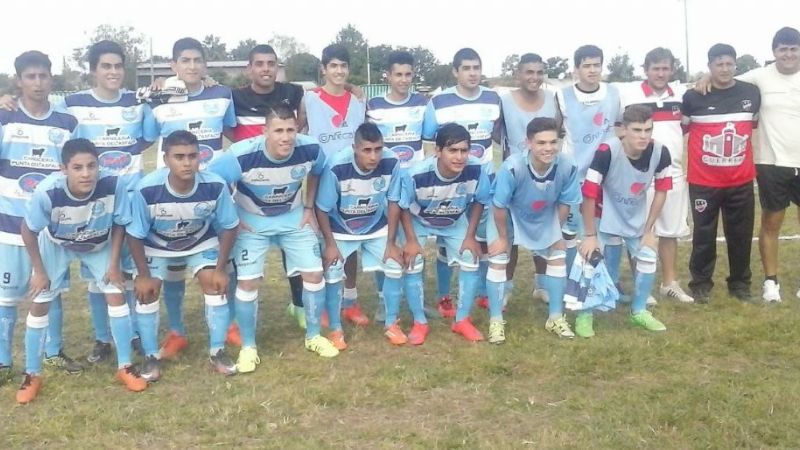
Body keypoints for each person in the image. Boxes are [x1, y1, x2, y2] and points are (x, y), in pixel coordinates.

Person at [209, 104, 338, 371]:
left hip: (293, 218)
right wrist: (233, 216)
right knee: (247, 282)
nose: (286, 137)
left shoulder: (310, 149)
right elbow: (212, 180)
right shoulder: (240, 155)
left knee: (314, 275)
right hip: (252, 223)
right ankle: (248, 347)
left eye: (290, 130)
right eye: (278, 130)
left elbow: (318, 171)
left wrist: (309, 206)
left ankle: (313, 336)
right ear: (264, 131)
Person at [19, 138, 146, 403]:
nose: (86, 173)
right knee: (41, 301)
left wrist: (113, 265)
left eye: (92, 166)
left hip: (99, 243)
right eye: (77, 167)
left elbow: (120, 223)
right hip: (57, 244)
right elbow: (28, 231)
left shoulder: (114, 184)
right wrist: (39, 271)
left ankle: (125, 366)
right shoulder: (47, 192)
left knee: (116, 294)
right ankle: (32, 374)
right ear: (63, 169)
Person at [127, 130, 240, 381]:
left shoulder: (214, 185)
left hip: (199, 240)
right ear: (165, 159)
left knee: (215, 284)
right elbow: (134, 234)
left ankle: (217, 351)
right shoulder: (147, 189)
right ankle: (150, 356)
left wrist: (221, 268)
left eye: (192, 156)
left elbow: (230, 226)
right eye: (179, 157)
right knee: (147, 291)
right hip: (157, 244)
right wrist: (143, 275)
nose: (187, 162)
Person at [149, 37, 237, 359]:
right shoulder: (158, 99)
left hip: (211, 194)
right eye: (184, 61)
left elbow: (234, 132)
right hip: (172, 195)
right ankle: (177, 331)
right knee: (173, 266)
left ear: (205, 64)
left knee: (221, 262)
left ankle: (227, 326)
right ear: (173, 65)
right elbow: (145, 135)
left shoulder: (221, 94)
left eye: (197, 60)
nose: (191, 66)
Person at [0, 51, 79, 385]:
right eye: (30, 77)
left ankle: (53, 352)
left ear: (51, 79)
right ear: (18, 80)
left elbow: (73, 171)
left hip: (49, 229)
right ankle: (3, 361)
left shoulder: (66, 124)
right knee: (6, 296)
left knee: (51, 289)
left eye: (42, 76)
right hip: (8, 225)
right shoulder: (5, 119)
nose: (37, 82)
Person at [230, 44, 307, 334]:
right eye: (259, 63)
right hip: (249, 193)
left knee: (295, 250)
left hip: (286, 187)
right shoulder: (234, 97)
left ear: (277, 66)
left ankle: (298, 306)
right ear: (249, 68)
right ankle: (241, 318)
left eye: (271, 63)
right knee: (245, 255)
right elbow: (229, 130)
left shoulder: (294, 92)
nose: (265, 68)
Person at [421, 48, 501, 318]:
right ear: (455, 71)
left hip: (483, 183)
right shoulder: (439, 102)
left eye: (476, 67)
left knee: (483, 239)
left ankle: (480, 292)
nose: (472, 73)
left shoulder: (493, 99)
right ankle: (444, 295)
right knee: (446, 240)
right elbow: (430, 143)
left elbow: (499, 135)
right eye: (466, 68)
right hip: (452, 186)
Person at [578, 105, 672, 337]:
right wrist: (590, 236)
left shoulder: (661, 152)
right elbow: (589, 193)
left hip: (634, 215)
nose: (643, 136)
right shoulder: (606, 151)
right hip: (601, 211)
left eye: (648, 130)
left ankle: (638, 310)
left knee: (649, 255)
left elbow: (661, 191)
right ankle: (585, 314)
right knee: (591, 260)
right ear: (624, 130)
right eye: (637, 130)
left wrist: (649, 230)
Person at [682, 44, 760, 303]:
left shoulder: (751, 92)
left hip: (740, 180)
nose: (724, 69)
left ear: (735, 65)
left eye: (729, 64)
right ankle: (701, 283)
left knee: (740, 235)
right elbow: (681, 130)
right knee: (703, 236)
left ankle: (740, 283)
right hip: (704, 182)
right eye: (718, 64)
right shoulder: (693, 97)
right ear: (710, 67)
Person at [490, 117, 579, 339]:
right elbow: (499, 206)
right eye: (541, 143)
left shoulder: (568, 166)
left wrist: (555, 232)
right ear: (528, 143)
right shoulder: (512, 167)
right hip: (509, 215)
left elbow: (565, 202)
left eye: (553, 142)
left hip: (545, 214)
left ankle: (556, 318)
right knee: (499, 258)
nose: (548, 148)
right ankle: (495, 321)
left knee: (558, 254)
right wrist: (502, 238)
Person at [399, 123, 490, 342]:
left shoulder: (478, 169)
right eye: (452, 150)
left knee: (470, 257)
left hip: (454, 220)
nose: (459, 157)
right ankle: (419, 322)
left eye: (464, 150)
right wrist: (411, 240)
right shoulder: (416, 174)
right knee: (414, 261)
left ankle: (462, 320)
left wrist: (470, 236)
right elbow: (402, 206)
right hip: (419, 220)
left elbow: (479, 201)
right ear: (438, 151)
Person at [616, 47, 693, 303]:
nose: (661, 73)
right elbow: (619, 128)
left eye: (665, 68)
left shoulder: (682, 94)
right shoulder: (628, 94)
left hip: (673, 171)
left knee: (670, 231)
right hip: (638, 172)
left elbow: (683, 128)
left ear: (672, 70)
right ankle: (642, 286)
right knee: (639, 230)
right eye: (656, 68)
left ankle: (669, 282)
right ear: (646, 69)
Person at [315, 123, 402, 347]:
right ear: (354, 147)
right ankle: (335, 328)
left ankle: (392, 323)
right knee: (333, 273)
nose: (374, 156)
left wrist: (391, 242)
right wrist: (330, 244)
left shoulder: (392, 162)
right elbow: (322, 208)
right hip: (340, 228)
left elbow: (393, 202)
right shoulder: (336, 165)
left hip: (376, 225)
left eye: (378, 149)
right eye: (367, 150)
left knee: (394, 265)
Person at [301, 44, 369, 326]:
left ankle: (350, 300)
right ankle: (329, 303)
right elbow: (301, 133)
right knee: (323, 244)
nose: (339, 71)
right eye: (334, 66)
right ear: (324, 68)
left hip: (353, 183)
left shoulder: (359, 100)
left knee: (350, 243)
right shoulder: (309, 99)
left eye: (343, 66)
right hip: (321, 181)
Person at [735, 27, 800, 302]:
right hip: (772, 162)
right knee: (771, 223)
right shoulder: (759, 76)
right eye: (783, 49)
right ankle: (770, 282)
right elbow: (726, 79)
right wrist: (703, 78)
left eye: (793, 48)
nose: (788, 54)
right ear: (774, 52)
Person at [497, 52, 561, 308]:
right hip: (516, 178)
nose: (534, 77)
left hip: (545, 176)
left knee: (544, 230)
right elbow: (496, 134)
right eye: (529, 72)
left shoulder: (553, 100)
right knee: (509, 237)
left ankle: (542, 284)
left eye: (538, 72)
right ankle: (506, 287)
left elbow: (557, 131)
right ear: (518, 74)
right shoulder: (504, 101)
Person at [555, 45, 620, 270]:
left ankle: (608, 280)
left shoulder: (615, 93)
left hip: (607, 176)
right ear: (576, 69)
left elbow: (622, 127)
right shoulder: (562, 96)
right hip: (575, 176)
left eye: (596, 65)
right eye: (587, 65)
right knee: (570, 230)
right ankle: (573, 280)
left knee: (607, 230)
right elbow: (555, 131)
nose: (592, 70)